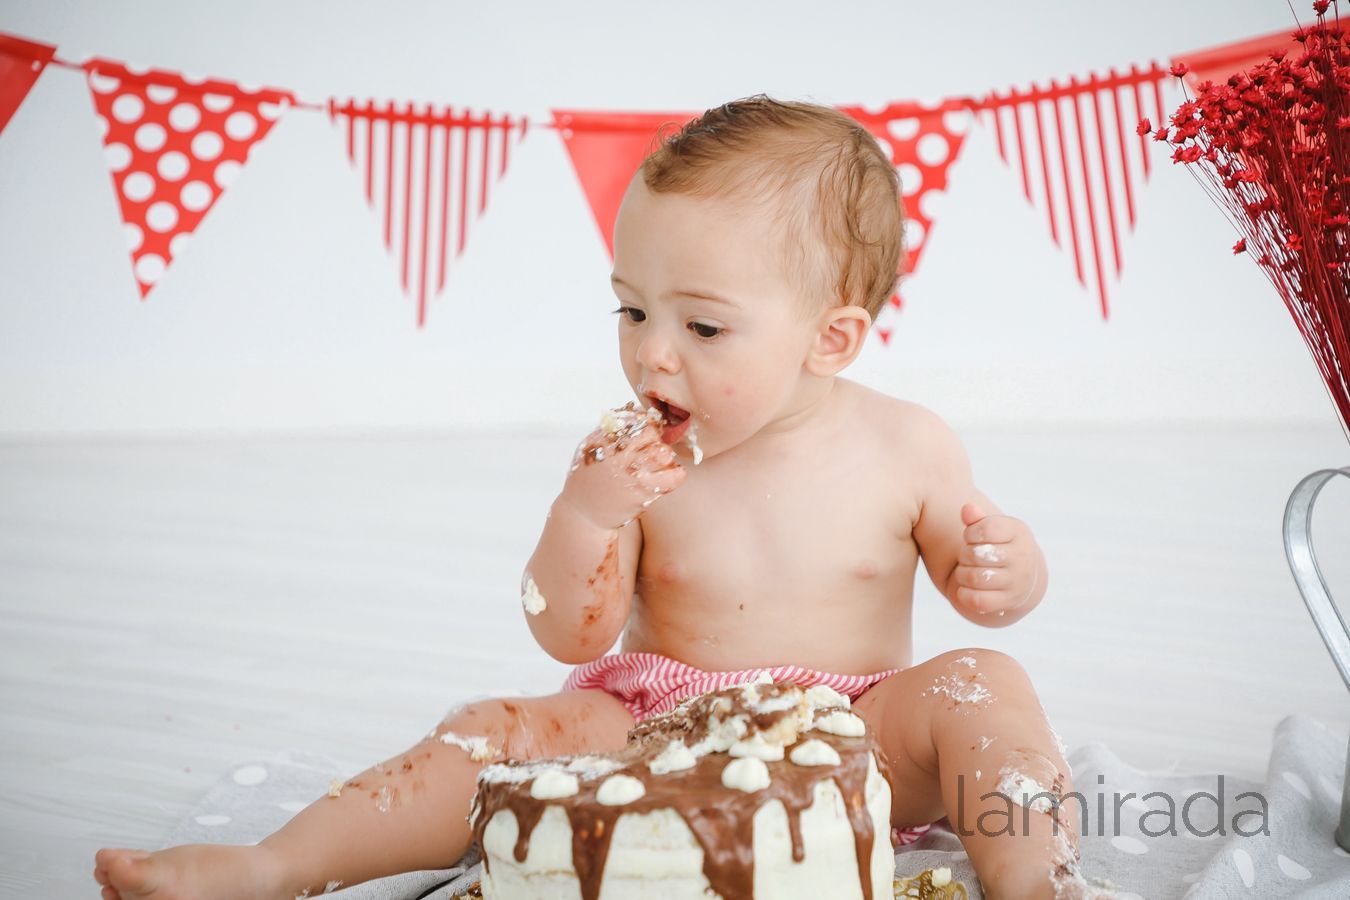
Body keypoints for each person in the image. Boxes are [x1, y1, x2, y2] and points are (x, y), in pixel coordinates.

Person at [95, 95, 1089, 900]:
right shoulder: (628, 460)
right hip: (652, 726)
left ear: (829, 339)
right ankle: (284, 865)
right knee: (494, 729)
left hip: (850, 744)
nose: (651, 349)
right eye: (633, 308)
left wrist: (1012, 566)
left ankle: (1034, 878)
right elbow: (571, 637)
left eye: (702, 327)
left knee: (982, 681)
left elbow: (977, 583)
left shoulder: (905, 443)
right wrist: (587, 515)